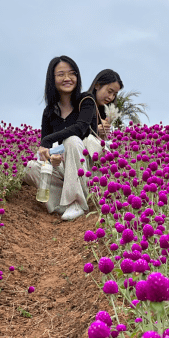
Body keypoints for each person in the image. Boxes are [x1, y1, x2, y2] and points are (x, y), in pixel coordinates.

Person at [23, 59, 119, 221]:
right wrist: (51, 157)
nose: (67, 78)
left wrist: (47, 140)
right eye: (61, 74)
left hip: (86, 168)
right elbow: (45, 149)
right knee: (31, 168)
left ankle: (76, 202)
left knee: (72, 140)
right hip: (65, 167)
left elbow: (80, 128)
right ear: (52, 79)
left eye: (71, 73)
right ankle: (61, 203)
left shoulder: (86, 100)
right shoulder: (49, 112)